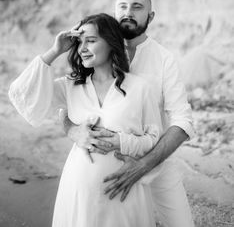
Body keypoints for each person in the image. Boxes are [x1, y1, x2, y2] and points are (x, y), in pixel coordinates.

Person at [8, 13, 164, 227]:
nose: (82, 48)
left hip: (123, 192)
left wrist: (122, 141)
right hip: (78, 190)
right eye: (79, 42)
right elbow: (23, 94)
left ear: (111, 43)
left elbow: (154, 140)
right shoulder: (71, 86)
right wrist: (55, 51)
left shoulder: (140, 88)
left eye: (91, 41)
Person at [61, 0, 195, 227]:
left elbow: (182, 120)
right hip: (108, 169)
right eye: (122, 6)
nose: (128, 12)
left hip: (157, 161)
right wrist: (73, 130)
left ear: (150, 17)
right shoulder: (96, 51)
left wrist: (144, 165)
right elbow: (68, 104)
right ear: (114, 12)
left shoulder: (164, 59)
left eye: (137, 7)